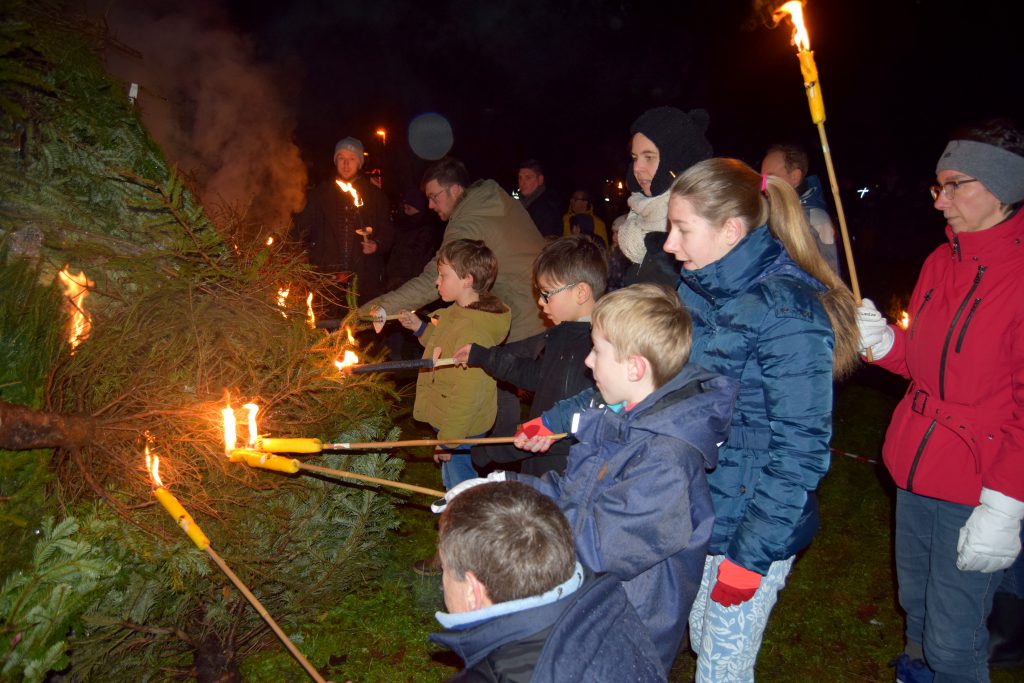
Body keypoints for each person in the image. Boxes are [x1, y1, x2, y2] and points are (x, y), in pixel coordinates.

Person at [440, 284, 738, 672]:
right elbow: (570, 492)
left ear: (635, 367)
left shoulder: (666, 460)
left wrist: (515, 527)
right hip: (594, 606)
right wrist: (502, 486)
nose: (588, 361)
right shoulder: (621, 420)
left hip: (627, 627)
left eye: (598, 350)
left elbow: (600, 545)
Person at [657, 157, 859, 682]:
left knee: (723, 668)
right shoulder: (700, 289)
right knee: (703, 637)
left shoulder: (786, 312)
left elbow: (800, 450)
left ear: (730, 230)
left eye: (681, 230)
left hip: (752, 523)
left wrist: (750, 558)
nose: (669, 245)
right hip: (707, 509)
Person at [856, 119, 1024, 683]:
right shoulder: (938, 261)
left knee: (955, 639)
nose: (941, 201)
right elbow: (924, 365)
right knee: (919, 610)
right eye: (938, 186)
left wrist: (1005, 503)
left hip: (977, 482)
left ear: (1001, 186)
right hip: (915, 465)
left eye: (955, 186)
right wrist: (885, 344)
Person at [363, 157, 547, 479]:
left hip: (518, 317)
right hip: (536, 308)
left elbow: (430, 280)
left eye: (435, 196)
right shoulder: (495, 199)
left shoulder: (467, 222)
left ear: (456, 189)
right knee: (498, 391)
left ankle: (491, 471)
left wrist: (374, 309)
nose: (431, 205)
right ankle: (495, 466)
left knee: (489, 390)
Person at [429, 481, 666, 682]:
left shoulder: (503, 674)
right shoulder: (608, 607)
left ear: (473, 591)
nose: (443, 581)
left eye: (445, 569)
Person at [452, 235, 608, 476]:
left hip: (562, 475)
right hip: (540, 468)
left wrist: (490, 451)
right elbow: (535, 375)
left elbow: (554, 437)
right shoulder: (563, 335)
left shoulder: (595, 351)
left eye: (547, 294)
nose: (540, 302)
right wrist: (482, 356)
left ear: (580, 293)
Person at [396, 239, 510, 492]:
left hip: (461, 423)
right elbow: (443, 346)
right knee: (453, 478)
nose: (437, 282)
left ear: (467, 279)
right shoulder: (455, 313)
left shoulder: (474, 329)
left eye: (443, 275)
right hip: (450, 416)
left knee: (460, 485)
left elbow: (468, 394)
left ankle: (465, 524)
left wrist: (449, 440)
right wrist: (420, 328)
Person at [293, 136, 394, 310]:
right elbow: (301, 230)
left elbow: (388, 231)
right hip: (327, 282)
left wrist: (376, 244)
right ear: (335, 161)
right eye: (341, 158)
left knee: (360, 332)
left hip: (364, 280)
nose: (346, 164)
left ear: (360, 163)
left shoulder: (375, 197)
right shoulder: (319, 195)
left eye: (352, 159)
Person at [617, 106, 713, 288]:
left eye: (649, 157)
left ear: (676, 159)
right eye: (635, 157)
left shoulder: (699, 223)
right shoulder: (640, 213)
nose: (637, 168)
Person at [760, 143, 841, 274]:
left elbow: (827, 280)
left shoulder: (814, 221)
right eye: (762, 179)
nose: (763, 187)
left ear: (795, 177)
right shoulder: (771, 215)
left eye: (770, 177)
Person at [383, 188, 443, 359]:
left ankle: (421, 353)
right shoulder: (401, 226)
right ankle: (393, 353)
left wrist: (406, 280)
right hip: (395, 280)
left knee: (417, 319)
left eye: (410, 206)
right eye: (405, 206)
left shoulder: (425, 230)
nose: (406, 209)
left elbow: (419, 257)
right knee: (396, 320)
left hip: (412, 282)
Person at [517, 159, 563, 239]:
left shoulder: (548, 209)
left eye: (528, 178)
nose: (522, 182)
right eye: (520, 178)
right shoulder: (519, 204)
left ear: (540, 180)